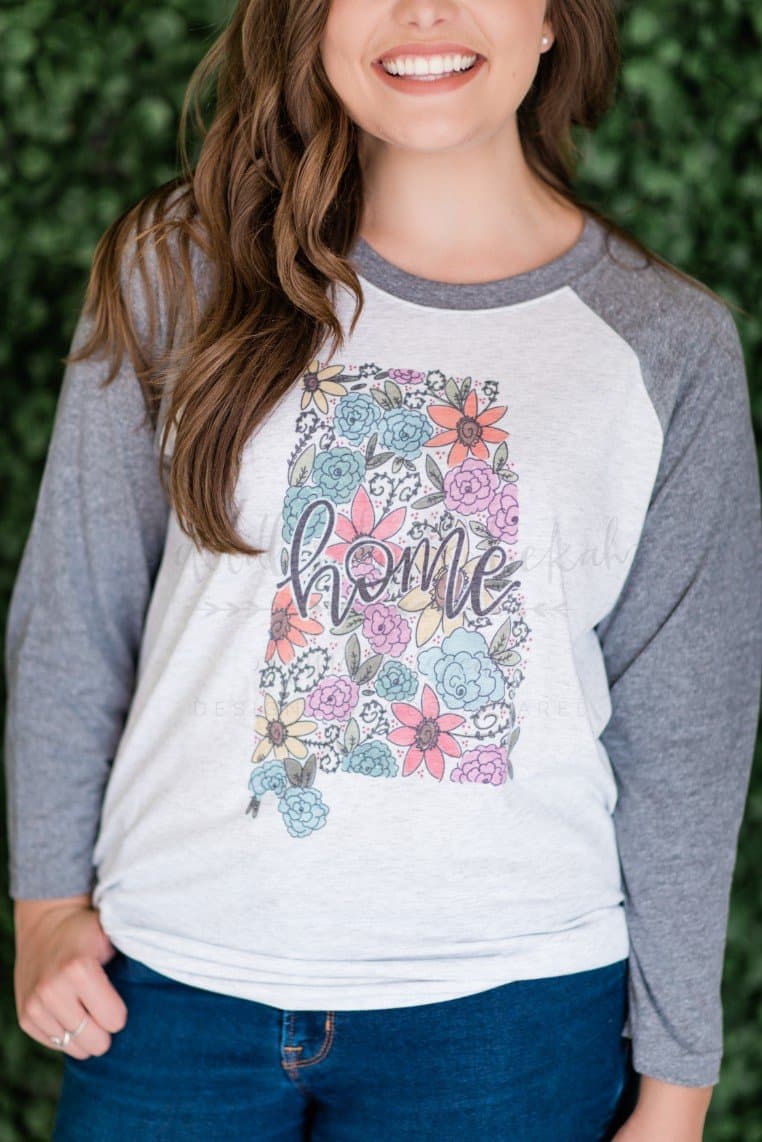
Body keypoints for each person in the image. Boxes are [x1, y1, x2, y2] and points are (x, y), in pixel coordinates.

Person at [5, 0, 761, 1139]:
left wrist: (679, 1088)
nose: (425, 11)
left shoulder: (666, 346)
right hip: (167, 986)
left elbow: (687, 745)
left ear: (555, 18)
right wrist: (45, 906)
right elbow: (77, 606)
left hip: (511, 1015)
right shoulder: (184, 271)